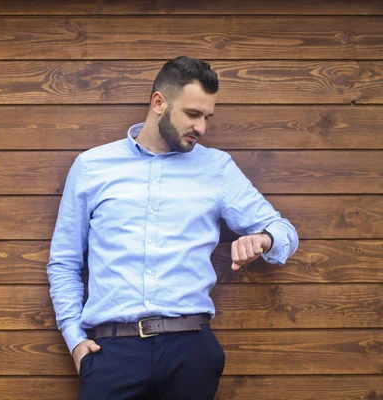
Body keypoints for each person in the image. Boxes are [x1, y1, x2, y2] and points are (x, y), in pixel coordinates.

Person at [47, 56, 299, 400]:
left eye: (207, 117)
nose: (202, 128)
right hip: (111, 355)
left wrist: (265, 239)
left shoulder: (217, 168)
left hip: (191, 352)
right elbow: (64, 262)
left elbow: (283, 229)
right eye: (193, 114)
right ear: (158, 103)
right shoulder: (92, 167)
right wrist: (76, 341)